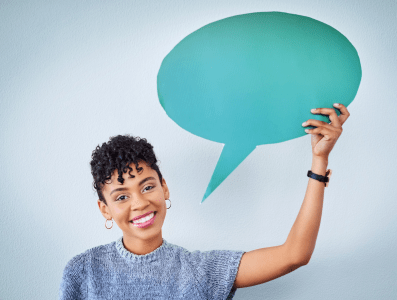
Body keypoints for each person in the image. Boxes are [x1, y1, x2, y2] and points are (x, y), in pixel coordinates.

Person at [59, 103, 350, 299]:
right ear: (104, 210)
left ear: (164, 188)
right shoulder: (83, 272)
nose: (139, 203)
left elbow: (294, 254)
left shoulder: (201, 271)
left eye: (147, 186)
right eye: (122, 196)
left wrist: (319, 160)